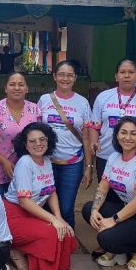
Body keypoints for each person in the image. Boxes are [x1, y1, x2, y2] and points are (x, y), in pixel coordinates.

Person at [81, 117, 136, 270]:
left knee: (105, 239)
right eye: (123, 132)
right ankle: (121, 249)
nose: (128, 137)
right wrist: (95, 211)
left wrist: (113, 220)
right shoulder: (114, 157)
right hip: (126, 211)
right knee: (88, 209)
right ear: (116, 135)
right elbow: (103, 188)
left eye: (133, 133)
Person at [3, 123, 77, 270]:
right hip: (14, 215)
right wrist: (53, 220)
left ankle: (28, 250)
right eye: (32, 141)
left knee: (66, 232)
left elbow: (51, 192)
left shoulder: (46, 160)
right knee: (51, 233)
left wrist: (59, 218)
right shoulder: (25, 163)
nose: (38, 144)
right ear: (25, 145)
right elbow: (24, 202)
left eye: (42, 139)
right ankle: (15, 248)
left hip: (32, 213)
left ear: (48, 140)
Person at [88, 59, 136, 202]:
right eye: (122, 72)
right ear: (116, 76)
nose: (127, 76)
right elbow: (94, 125)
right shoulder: (103, 97)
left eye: (131, 72)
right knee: (107, 196)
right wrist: (94, 141)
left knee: (131, 195)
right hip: (106, 155)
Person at [37, 60, 93, 227]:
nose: (65, 79)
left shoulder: (82, 102)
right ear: (54, 76)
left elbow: (86, 137)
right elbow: (37, 129)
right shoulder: (44, 100)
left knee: (66, 207)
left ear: (75, 78)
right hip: (46, 162)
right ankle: (48, 242)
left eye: (70, 75)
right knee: (45, 204)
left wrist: (89, 168)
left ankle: (67, 243)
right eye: (61, 74)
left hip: (72, 163)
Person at [0, 72, 41, 196]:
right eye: (12, 84)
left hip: (25, 169)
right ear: (6, 88)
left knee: (19, 208)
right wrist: (4, 161)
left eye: (21, 84)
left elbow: (40, 139)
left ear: (27, 89)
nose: (16, 88)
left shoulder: (35, 110)